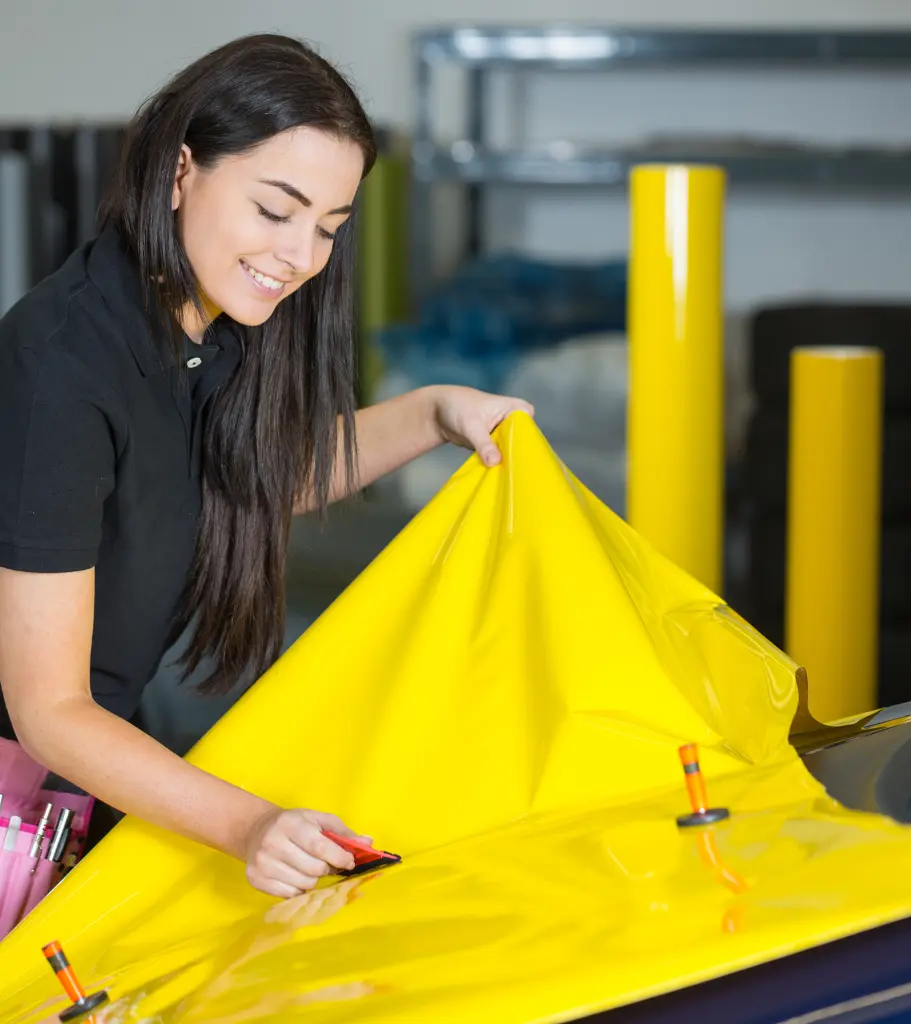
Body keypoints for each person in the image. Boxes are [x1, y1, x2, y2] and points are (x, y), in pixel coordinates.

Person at [0, 33, 532, 900]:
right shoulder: (62, 365)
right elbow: (48, 711)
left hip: (72, 786)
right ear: (181, 173)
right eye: (275, 210)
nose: (300, 257)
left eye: (328, 228)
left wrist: (437, 411)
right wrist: (248, 825)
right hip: (30, 784)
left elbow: (257, 476)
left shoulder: (211, 329)